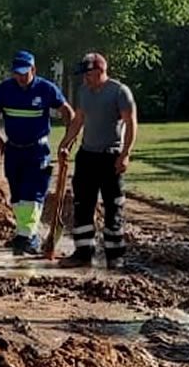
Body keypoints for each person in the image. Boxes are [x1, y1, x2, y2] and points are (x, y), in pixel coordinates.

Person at [57, 52, 137, 269]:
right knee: (82, 205)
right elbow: (78, 120)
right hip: (87, 156)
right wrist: (65, 142)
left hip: (111, 157)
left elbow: (131, 123)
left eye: (88, 74)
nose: (85, 79)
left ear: (100, 71)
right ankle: (84, 253)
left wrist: (126, 154)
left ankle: (115, 256)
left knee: (113, 207)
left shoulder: (119, 92)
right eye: (83, 75)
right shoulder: (84, 92)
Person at [0, 50, 73, 256]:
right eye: (17, 73)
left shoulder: (46, 89)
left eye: (24, 73)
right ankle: (23, 234)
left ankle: (30, 236)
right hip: (14, 149)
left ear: (33, 70)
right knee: (17, 194)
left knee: (33, 193)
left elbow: (67, 112)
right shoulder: (5, 89)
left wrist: (67, 141)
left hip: (37, 150)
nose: (20, 78)